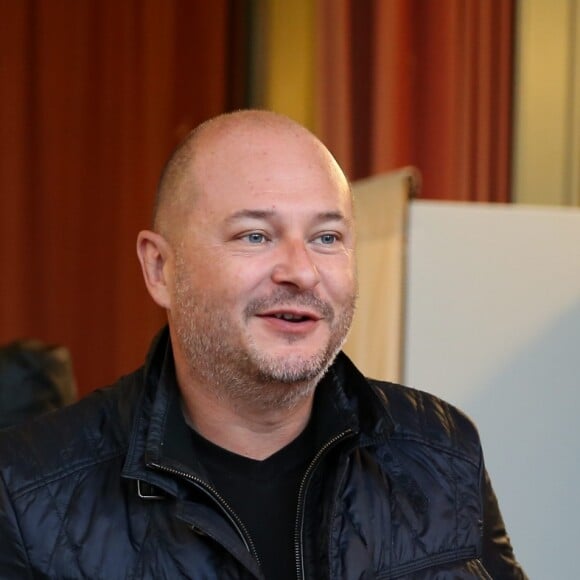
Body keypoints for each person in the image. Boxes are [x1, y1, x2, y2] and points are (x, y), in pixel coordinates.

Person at [0, 110, 526, 579]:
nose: (301, 271)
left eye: (327, 238)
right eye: (255, 235)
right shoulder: (28, 493)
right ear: (160, 268)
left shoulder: (442, 451)